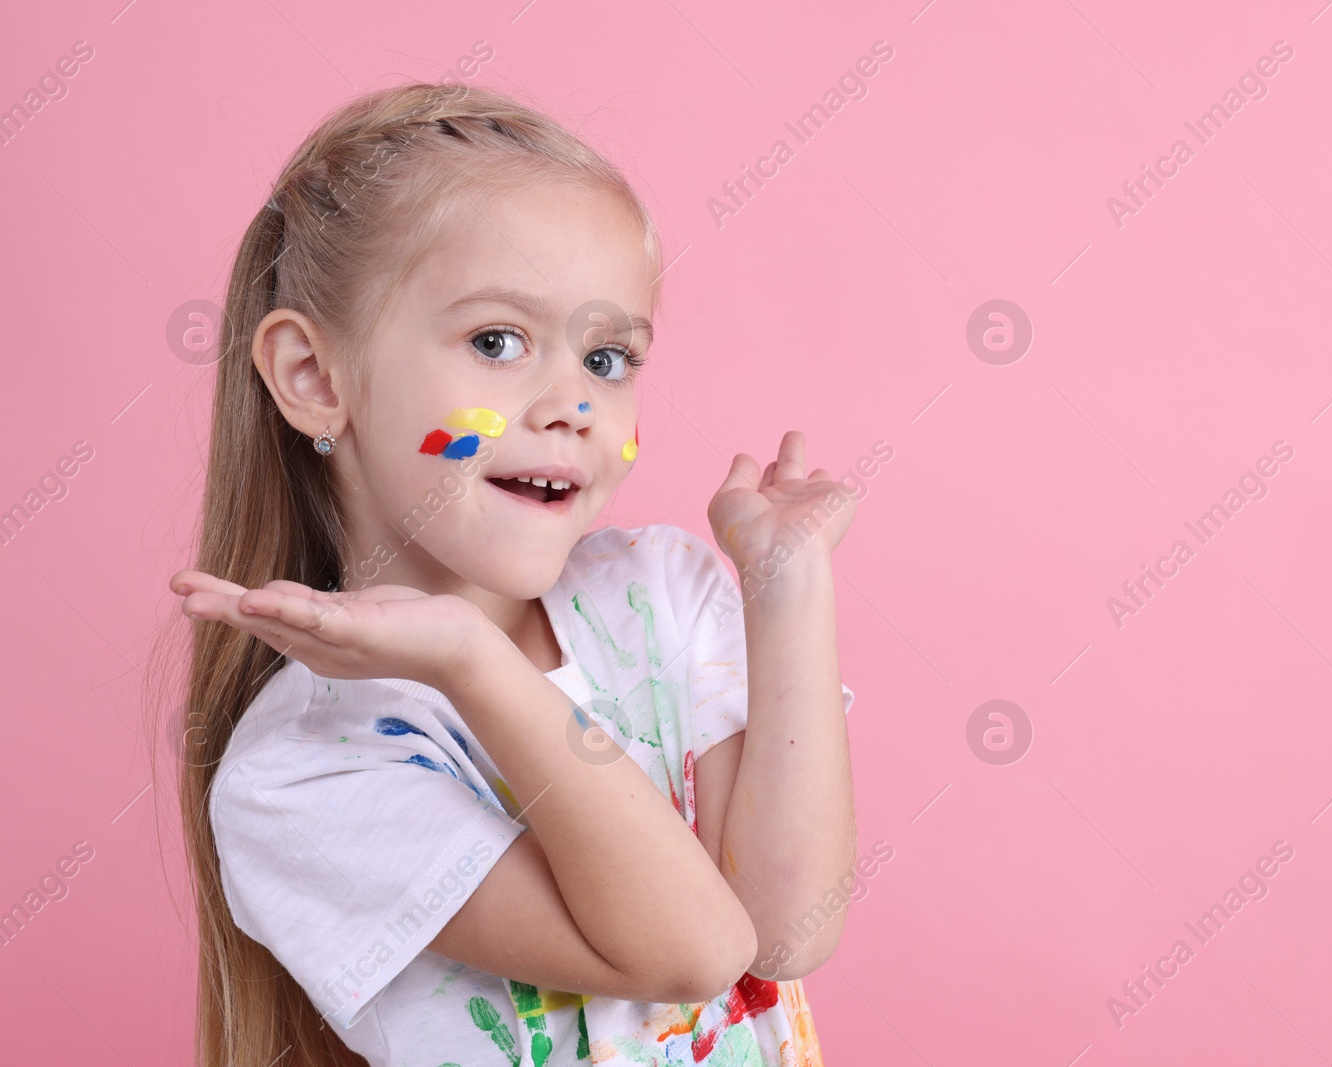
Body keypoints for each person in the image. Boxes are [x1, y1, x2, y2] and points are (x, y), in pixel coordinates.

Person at [168, 81, 858, 1067]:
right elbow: (694, 951)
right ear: (317, 379)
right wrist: (474, 663)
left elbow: (788, 930)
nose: (572, 402)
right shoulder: (306, 765)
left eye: (608, 355)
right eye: (497, 342)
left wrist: (788, 585)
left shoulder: (659, 592)